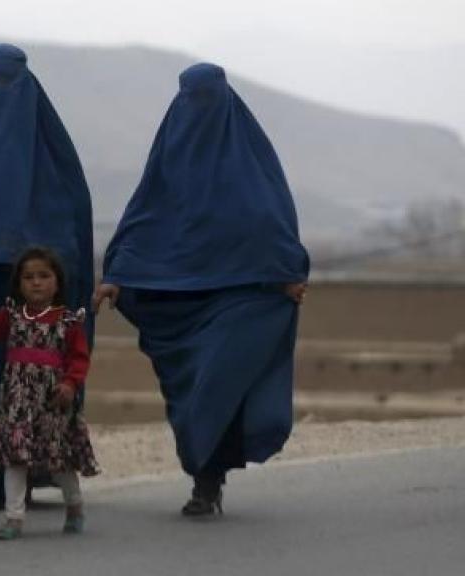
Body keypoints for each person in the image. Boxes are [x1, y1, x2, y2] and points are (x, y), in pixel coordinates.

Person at [93, 63, 308, 517]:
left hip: (237, 298)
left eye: (208, 98)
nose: (200, 110)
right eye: (193, 98)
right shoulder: (170, 159)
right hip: (176, 303)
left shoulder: (249, 162)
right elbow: (144, 218)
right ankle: (203, 471)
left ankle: (207, 482)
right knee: (187, 396)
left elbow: (271, 221)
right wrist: (117, 275)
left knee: (217, 384)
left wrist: (288, 271)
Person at [0, 43, 95, 505]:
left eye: (8, 83)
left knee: (40, 386)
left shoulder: (52, 154)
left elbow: (73, 220)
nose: (1, 94)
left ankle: (30, 473)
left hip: (39, 292)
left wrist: (44, 273)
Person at [0, 246, 99, 540]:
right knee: (15, 459)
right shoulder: (10, 316)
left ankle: (74, 507)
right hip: (16, 403)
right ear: (18, 284)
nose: (36, 282)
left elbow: (79, 359)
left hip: (53, 404)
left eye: (43, 276)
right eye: (28, 277)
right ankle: (14, 518)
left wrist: (69, 384)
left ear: (57, 282)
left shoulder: (68, 321)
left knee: (59, 460)